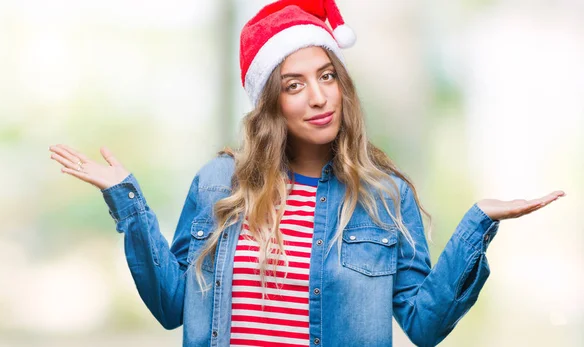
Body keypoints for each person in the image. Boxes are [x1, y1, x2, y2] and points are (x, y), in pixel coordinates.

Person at [49, 0, 565, 346]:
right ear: (271, 103)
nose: (318, 97)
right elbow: (171, 306)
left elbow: (423, 326)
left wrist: (478, 223)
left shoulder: (384, 198)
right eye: (294, 85)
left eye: (326, 76)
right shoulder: (217, 184)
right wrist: (128, 202)